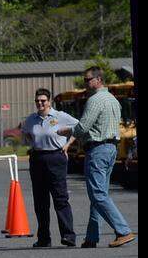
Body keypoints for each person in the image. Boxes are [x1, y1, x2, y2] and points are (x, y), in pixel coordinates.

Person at [57, 67, 135, 247]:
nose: (85, 83)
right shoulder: (112, 100)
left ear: (98, 80)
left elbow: (83, 127)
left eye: (87, 80)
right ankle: (92, 237)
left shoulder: (95, 100)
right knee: (99, 193)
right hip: (110, 149)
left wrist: (66, 131)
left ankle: (123, 230)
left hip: (98, 149)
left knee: (98, 194)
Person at [21, 88, 78, 247]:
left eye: (43, 101)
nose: (40, 103)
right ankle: (44, 238)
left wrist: (67, 144)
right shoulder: (31, 119)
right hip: (38, 158)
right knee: (40, 201)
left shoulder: (60, 116)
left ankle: (68, 235)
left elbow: (79, 127)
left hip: (56, 157)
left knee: (60, 198)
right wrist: (29, 142)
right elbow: (25, 134)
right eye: (37, 101)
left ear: (49, 101)